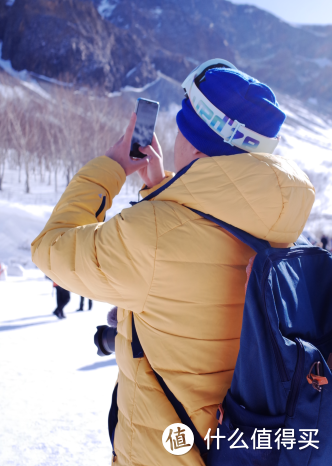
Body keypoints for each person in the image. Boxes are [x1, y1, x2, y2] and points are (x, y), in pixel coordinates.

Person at [31, 62, 315, 466]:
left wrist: (110, 166)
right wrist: (159, 188)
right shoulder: (285, 231)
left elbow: (51, 248)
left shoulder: (153, 236)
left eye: (183, 126)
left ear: (198, 143)